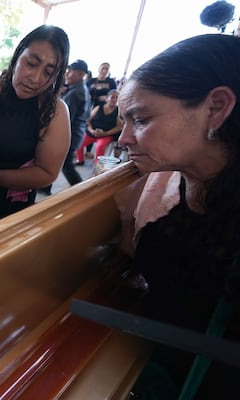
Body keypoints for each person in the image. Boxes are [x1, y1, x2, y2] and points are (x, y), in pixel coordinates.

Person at [116, 34, 240, 398]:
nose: (124, 138)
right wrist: (127, 218)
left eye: (140, 119)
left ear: (216, 107)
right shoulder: (165, 186)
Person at [0, 25, 71, 224]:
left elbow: (47, 173)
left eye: (48, 72)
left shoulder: (54, 112)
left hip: (9, 209)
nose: (36, 78)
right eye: (31, 63)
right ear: (17, 55)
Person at [75, 89, 122, 165]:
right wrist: (91, 130)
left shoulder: (118, 111)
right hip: (93, 132)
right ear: (107, 98)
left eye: (117, 97)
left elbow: (119, 127)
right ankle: (80, 160)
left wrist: (105, 133)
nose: (114, 99)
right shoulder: (98, 108)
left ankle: (98, 166)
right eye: (112, 97)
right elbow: (88, 120)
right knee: (79, 143)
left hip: (106, 135)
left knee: (100, 146)